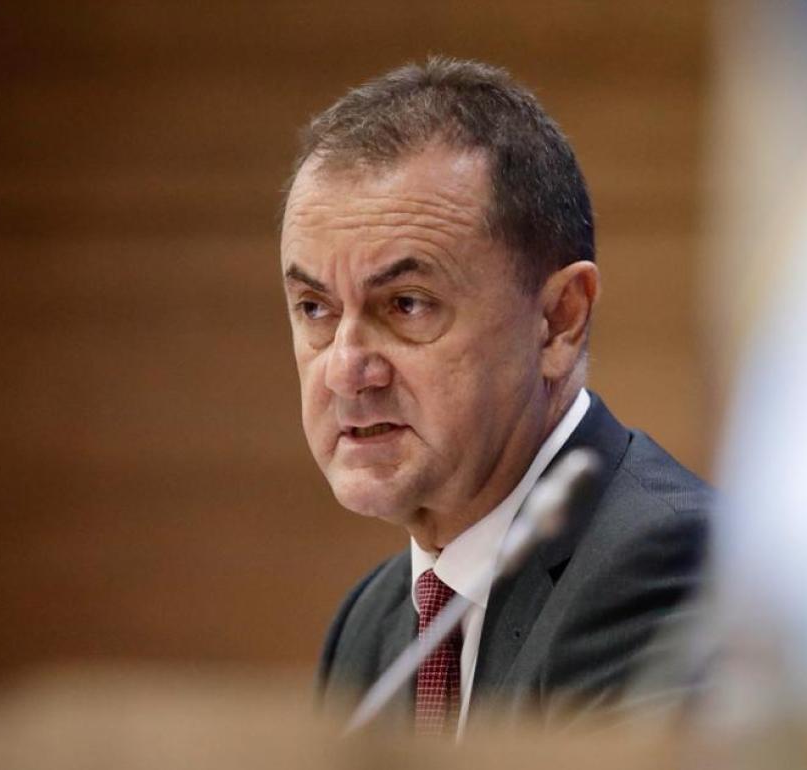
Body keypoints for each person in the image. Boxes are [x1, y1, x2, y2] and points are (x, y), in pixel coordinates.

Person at [279, 57, 710, 737]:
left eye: (407, 304)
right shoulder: (370, 624)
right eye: (314, 307)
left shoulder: (666, 564)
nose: (345, 369)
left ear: (559, 320)